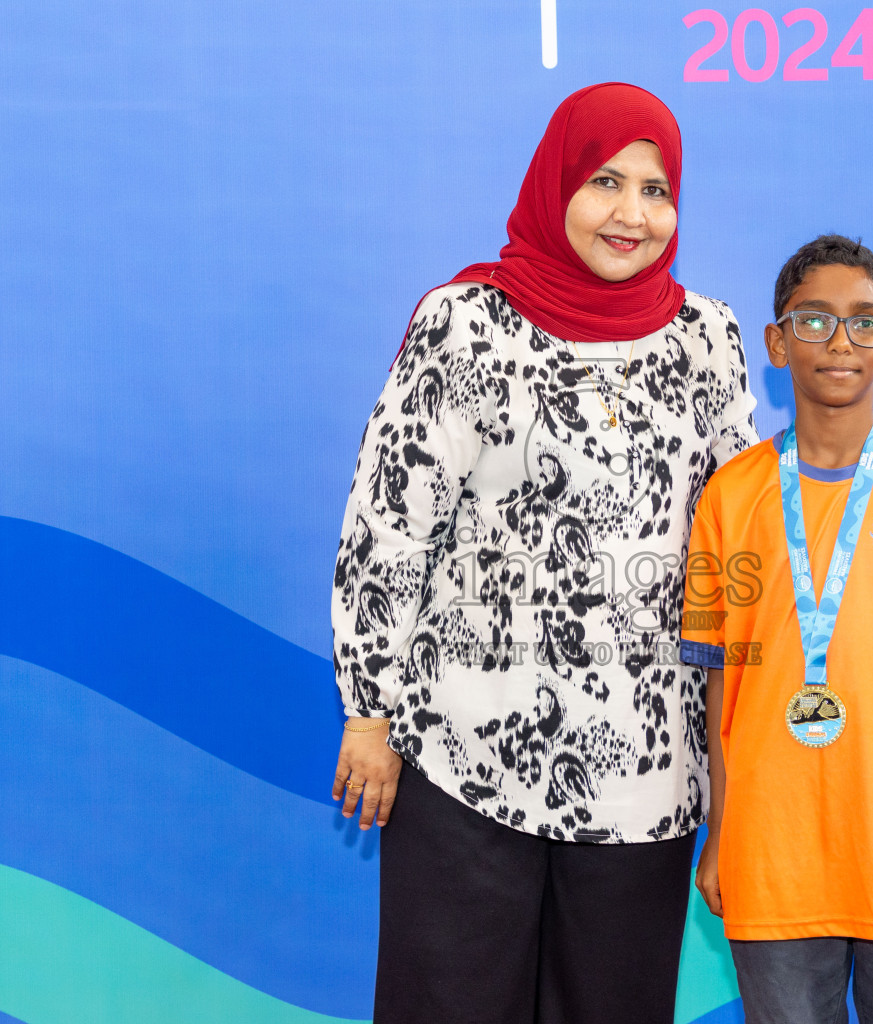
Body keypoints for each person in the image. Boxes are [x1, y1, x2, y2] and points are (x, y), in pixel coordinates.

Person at [330, 83, 759, 1024]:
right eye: (606, 181)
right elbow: (390, 524)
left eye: (656, 189)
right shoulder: (467, 324)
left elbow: (734, 550)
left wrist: (741, 742)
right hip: (460, 750)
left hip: (647, 773)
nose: (632, 214)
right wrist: (368, 714)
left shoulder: (709, 343)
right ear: (556, 181)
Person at [681, 235, 873, 1023]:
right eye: (815, 321)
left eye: (865, 323)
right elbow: (719, 681)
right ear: (778, 342)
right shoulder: (731, 495)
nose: (841, 342)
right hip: (773, 847)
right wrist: (721, 831)